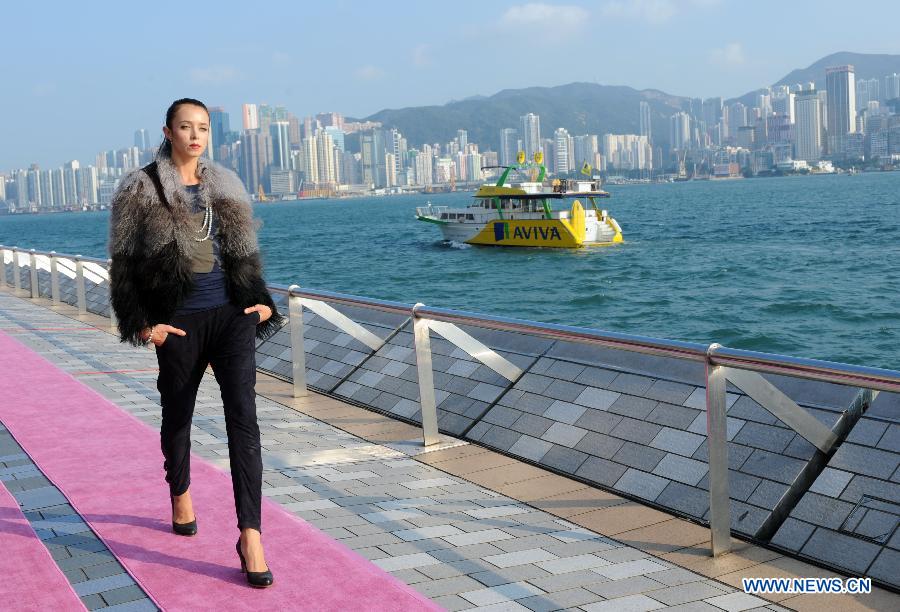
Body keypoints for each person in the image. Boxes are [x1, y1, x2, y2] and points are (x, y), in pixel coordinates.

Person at [108, 98, 283, 588]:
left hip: (231, 318)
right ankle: (180, 490)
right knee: (178, 415)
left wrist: (262, 301)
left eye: (202, 127)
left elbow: (243, 251)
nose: (194, 135)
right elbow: (123, 264)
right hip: (178, 322)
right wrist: (144, 323)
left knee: (244, 422)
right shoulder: (140, 187)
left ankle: (250, 535)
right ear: (168, 130)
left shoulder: (225, 182)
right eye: (185, 126)